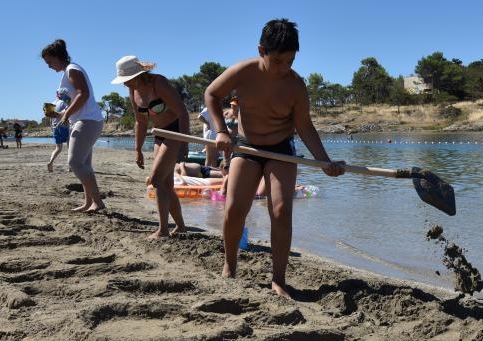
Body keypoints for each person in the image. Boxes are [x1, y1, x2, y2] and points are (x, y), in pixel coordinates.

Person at [205, 18, 345, 298]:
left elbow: (304, 126)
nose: (285, 68)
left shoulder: (295, 85)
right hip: (246, 148)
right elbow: (212, 93)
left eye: (291, 61)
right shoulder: (242, 72)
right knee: (234, 209)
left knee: (281, 211)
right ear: (262, 51)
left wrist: (324, 161)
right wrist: (221, 131)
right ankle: (229, 266)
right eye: (279, 61)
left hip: (281, 150)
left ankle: (278, 279)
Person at [112, 55, 189, 238]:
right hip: (160, 134)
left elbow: (182, 112)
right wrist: (137, 149)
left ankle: (163, 230)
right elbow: (140, 121)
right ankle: (181, 227)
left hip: (175, 131)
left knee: (156, 179)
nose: (125, 84)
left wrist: (184, 144)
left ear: (138, 75)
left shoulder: (158, 83)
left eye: (127, 80)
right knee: (166, 184)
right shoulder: (133, 91)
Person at [42, 39, 105, 212]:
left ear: (58, 57)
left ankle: (98, 202)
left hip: (88, 121)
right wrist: (58, 114)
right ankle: (88, 202)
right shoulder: (67, 72)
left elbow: (83, 94)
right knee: (84, 164)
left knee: (75, 163)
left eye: (49, 62)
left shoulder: (72, 69)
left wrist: (67, 114)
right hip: (82, 120)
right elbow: (74, 101)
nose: (48, 66)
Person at [47, 88, 71, 172]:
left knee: (58, 148)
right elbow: (67, 114)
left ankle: (51, 162)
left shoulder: (51, 104)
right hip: (64, 127)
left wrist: (52, 128)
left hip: (54, 128)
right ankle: (70, 167)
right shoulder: (64, 103)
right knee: (69, 147)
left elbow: (50, 118)